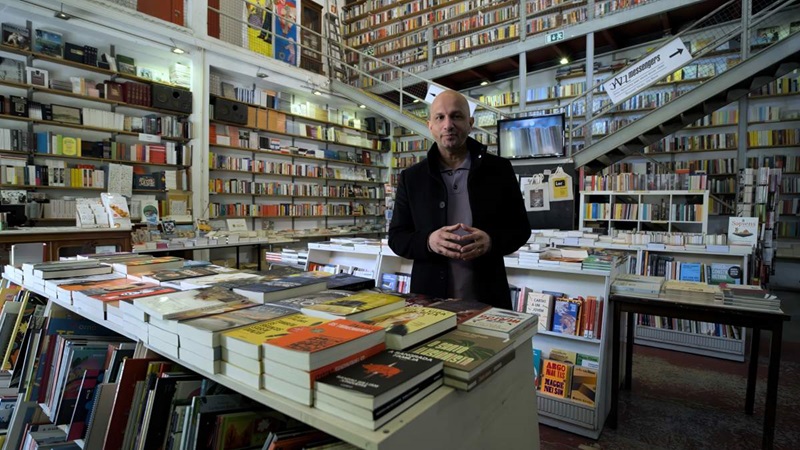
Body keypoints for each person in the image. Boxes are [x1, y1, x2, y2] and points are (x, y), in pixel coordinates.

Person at [388, 90, 531, 309]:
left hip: (489, 298)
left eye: (456, 116)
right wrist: (428, 241)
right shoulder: (412, 178)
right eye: (440, 117)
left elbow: (520, 229)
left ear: (470, 122)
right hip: (429, 300)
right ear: (430, 126)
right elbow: (397, 237)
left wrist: (491, 241)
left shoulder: (499, 170)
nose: (448, 124)